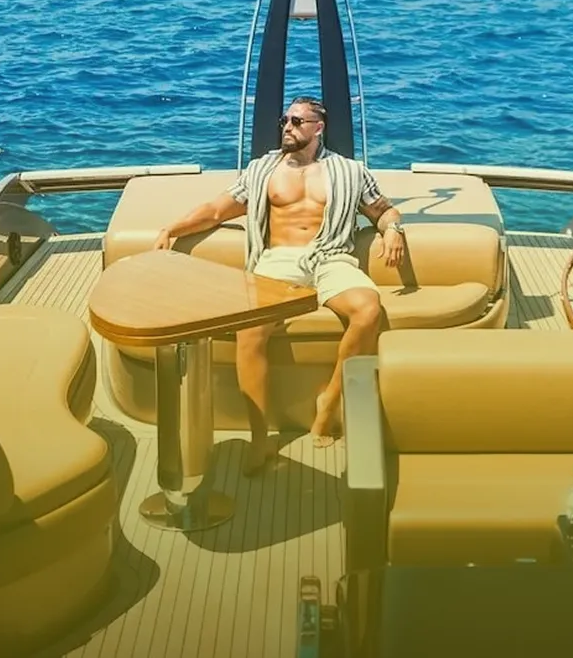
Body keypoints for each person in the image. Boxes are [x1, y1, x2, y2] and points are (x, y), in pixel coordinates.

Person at [153, 96, 406, 473]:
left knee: (368, 309)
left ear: (318, 128)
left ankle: (329, 404)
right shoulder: (261, 170)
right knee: (250, 327)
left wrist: (394, 231)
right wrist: (172, 228)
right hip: (279, 261)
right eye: (284, 119)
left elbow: (383, 211)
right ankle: (260, 437)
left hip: (331, 256)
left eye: (296, 121)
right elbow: (217, 210)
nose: (287, 126)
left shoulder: (350, 171)